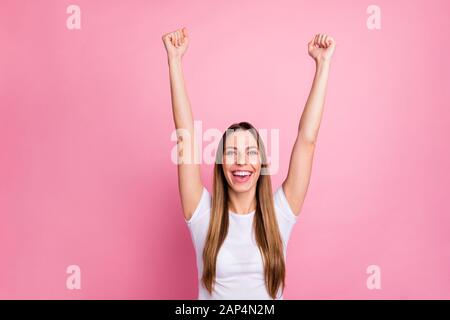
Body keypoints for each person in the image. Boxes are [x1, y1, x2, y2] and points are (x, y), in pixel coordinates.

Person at [162, 27, 336, 299]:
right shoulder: (202, 214)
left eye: (251, 152)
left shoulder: (280, 214)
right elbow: (185, 136)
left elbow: (307, 140)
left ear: (263, 164)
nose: (241, 161)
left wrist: (323, 64)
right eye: (231, 152)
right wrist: (174, 60)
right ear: (219, 164)